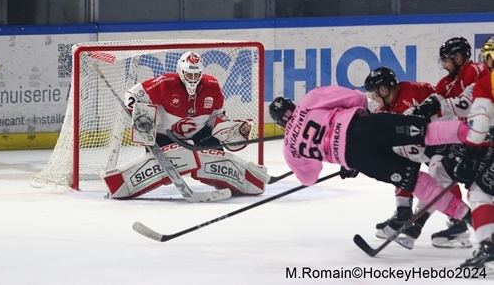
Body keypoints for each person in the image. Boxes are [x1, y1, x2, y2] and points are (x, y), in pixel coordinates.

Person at [269, 86, 473, 249]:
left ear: (279, 124)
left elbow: (309, 178)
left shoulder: (289, 148)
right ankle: (476, 132)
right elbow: (357, 98)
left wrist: (339, 156)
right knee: (424, 132)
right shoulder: (309, 101)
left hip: (357, 157)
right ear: (292, 106)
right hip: (364, 126)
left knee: (415, 182)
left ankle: (468, 217)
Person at [101, 51, 269, 199]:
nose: (193, 79)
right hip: (165, 135)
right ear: (181, 72)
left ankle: (229, 183)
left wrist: (224, 128)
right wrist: (135, 110)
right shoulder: (165, 83)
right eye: (189, 74)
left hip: (199, 134)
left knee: (216, 160)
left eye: (197, 75)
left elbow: (216, 115)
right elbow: (134, 93)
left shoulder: (212, 86)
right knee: (167, 173)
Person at [405, 36, 489, 248]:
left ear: (459, 57)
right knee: (439, 170)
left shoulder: (475, 70)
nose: (444, 64)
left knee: (481, 188)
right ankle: (431, 221)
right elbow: (436, 104)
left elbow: (465, 104)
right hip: (469, 139)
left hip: (486, 135)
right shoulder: (444, 83)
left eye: (447, 60)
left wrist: (437, 106)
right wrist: (418, 113)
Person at [363, 67, 436, 243]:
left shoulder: (412, 93)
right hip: (421, 144)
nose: (373, 97)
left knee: (442, 176)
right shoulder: (383, 109)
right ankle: (403, 211)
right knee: (397, 161)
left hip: (439, 139)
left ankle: (458, 223)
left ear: (383, 89)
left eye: (374, 92)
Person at [441, 65, 494, 271]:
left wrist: (470, 154)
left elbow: (480, 122)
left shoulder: (487, 83)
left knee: (479, 192)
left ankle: (488, 248)